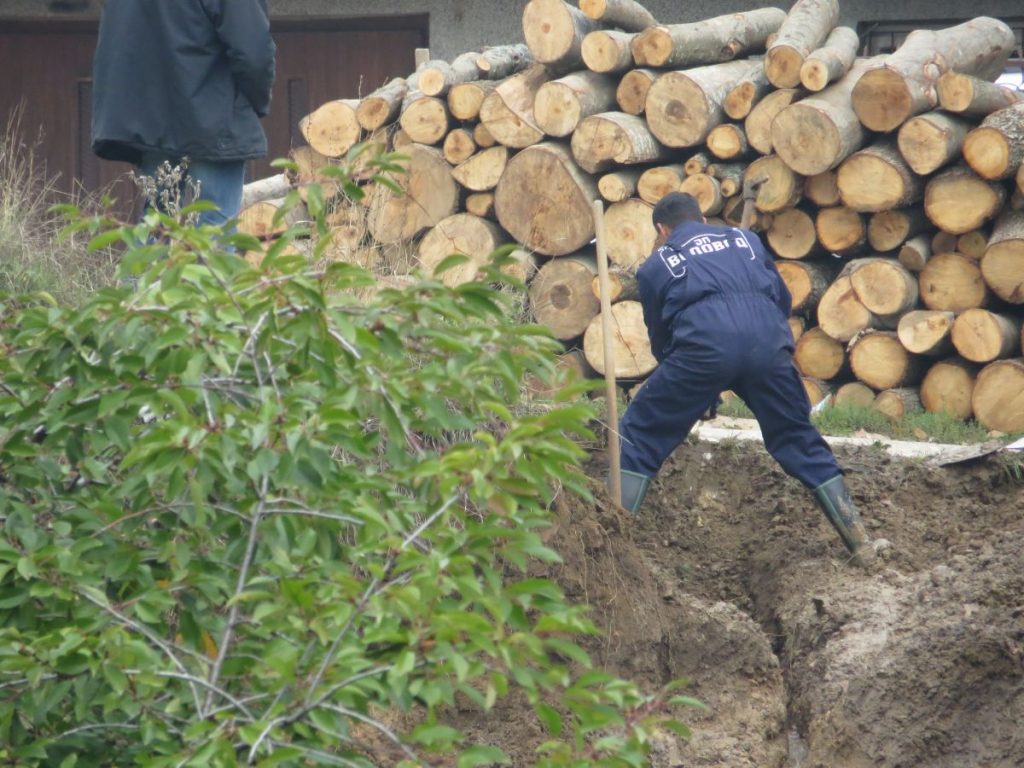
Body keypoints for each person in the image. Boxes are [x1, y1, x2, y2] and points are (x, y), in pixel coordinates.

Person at [613, 192, 878, 566]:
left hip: (702, 349)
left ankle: (612, 545)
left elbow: (661, 338)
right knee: (796, 435)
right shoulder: (744, 239)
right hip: (768, 345)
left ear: (661, 229)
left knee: (640, 433)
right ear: (703, 219)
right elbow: (782, 300)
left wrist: (694, 387)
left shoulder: (658, 264)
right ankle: (860, 542)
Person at [91, 0, 276, 227]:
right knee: (215, 228)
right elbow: (253, 51)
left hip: (152, 123)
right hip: (214, 123)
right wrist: (258, 100)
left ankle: (150, 263)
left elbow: (119, 43)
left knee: (156, 227)